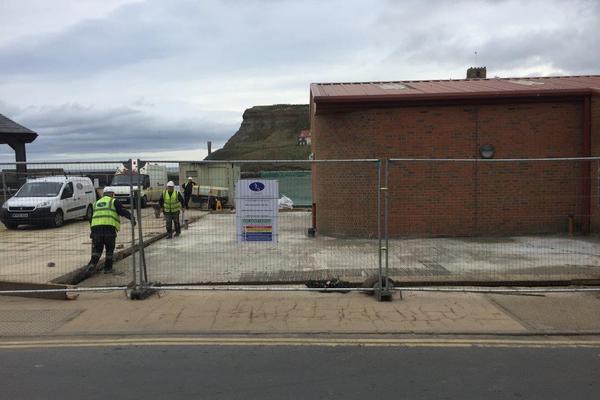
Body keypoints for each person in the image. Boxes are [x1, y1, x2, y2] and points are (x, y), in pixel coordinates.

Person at [86, 188, 134, 274]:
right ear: (112, 194)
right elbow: (122, 211)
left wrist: (92, 230)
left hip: (96, 230)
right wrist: (131, 218)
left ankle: (92, 265)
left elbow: (91, 218)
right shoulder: (114, 201)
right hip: (109, 229)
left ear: (104, 194)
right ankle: (107, 268)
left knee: (97, 249)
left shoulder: (96, 203)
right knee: (109, 249)